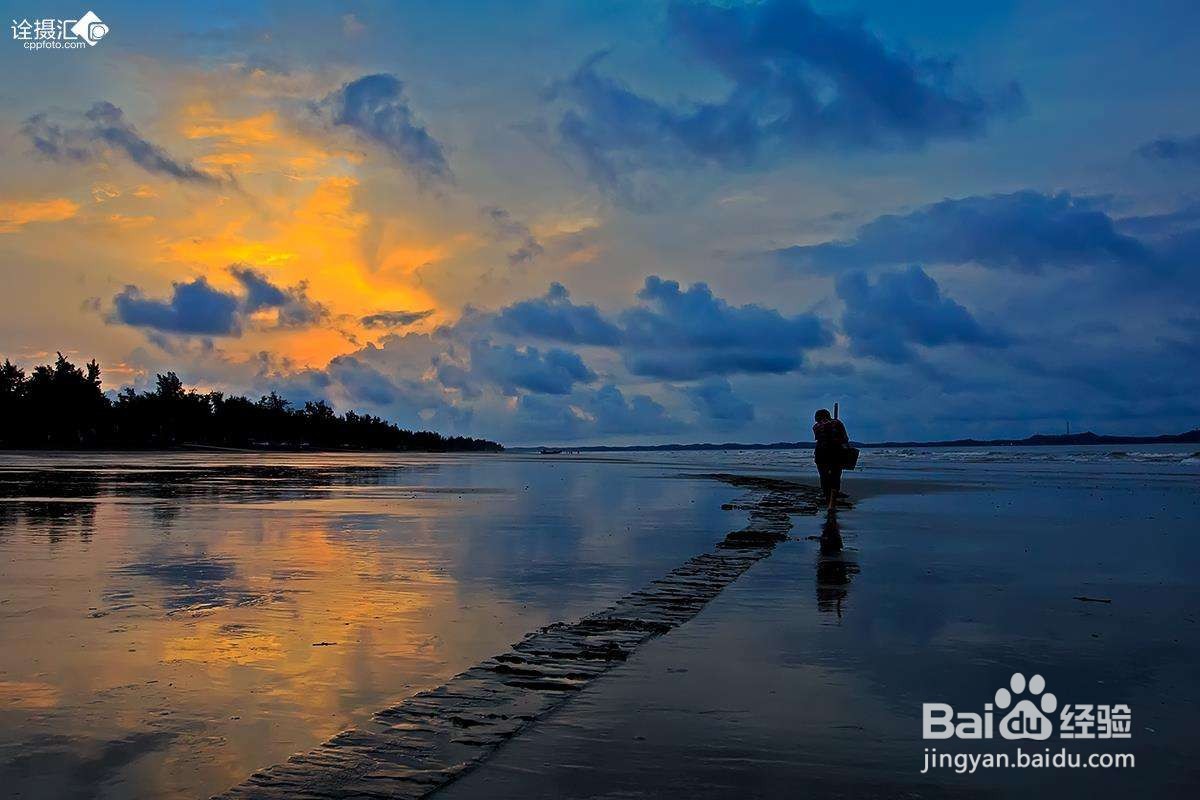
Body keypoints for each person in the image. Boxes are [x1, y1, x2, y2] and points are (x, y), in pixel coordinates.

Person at [812, 408, 849, 511]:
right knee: (835, 478)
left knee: (824, 478)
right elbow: (845, 438)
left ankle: (828, 499)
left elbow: (819, 436)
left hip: (821, 455)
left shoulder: (816, 427)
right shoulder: (837, 423)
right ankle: (831, 503)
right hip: (836, 454)